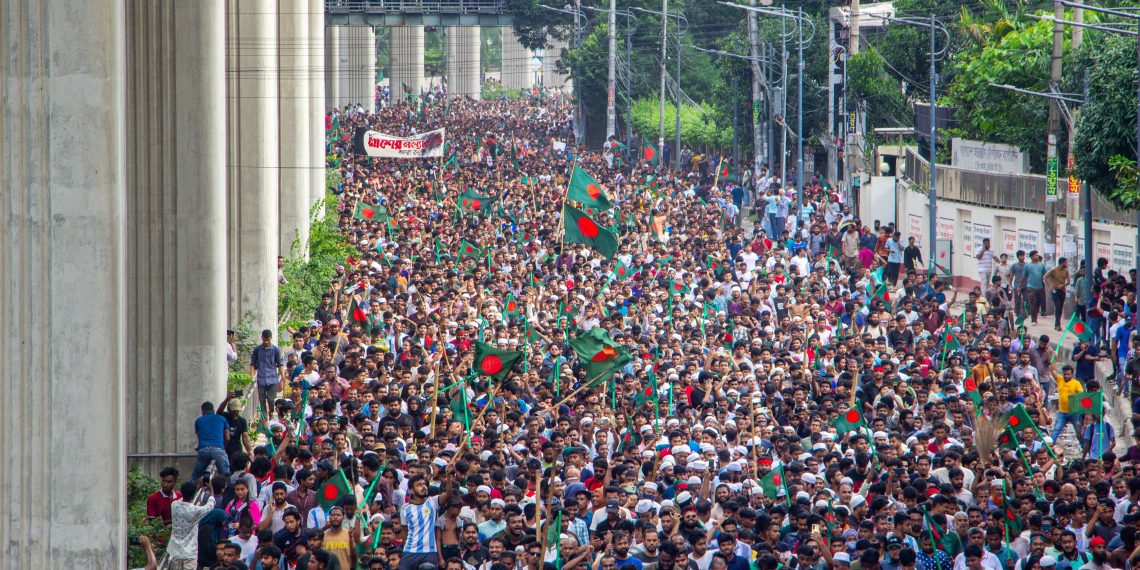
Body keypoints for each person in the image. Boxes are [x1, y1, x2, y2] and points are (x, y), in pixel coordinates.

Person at [168, 481, 216, 570]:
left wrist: (197, 487)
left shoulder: (174, 505)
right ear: (193, 495)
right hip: (189, 552)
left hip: (174, 551)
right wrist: (211, 489)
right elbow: (210, 505)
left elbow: (185, 496)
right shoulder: (195, 510)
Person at [191, 401, 231, 482]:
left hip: (203, 450)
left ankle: (191, 491)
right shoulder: (222, 419)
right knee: (226, 475)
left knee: (195, 476)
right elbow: (227, 438)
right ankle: (226, 491)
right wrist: (223, 447)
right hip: (218, 449)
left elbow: (198, 437)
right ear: (213, 410)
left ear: (202, 411)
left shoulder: (199, 420)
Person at [251, 328, 286, 419]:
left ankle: (271, 411)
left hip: (272, 378)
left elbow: (280, 364)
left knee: (271, 399)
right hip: (261, 378)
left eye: (268, 340)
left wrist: (283, 377)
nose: (266, 342)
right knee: (262, 400)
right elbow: (253, 364)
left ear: (271, 338)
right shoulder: (257, 350)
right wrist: (251, 376)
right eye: (264, 339)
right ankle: (264, 418)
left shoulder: (275, 350)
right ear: (262, 338)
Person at [1044, 258, 1071, 331]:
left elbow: (1068, 281)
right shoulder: (1054, 270)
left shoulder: (1066, 271)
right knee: (1057, 306)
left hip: (1062, 291)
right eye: (1066, 262)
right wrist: (1050, 286)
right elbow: (1045, 277)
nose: (1066, 264)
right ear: (1062, 263)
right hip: (1055, 290)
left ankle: (1058, 323)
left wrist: (1062, 285)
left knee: (1060, 307)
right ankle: (1057, 324)